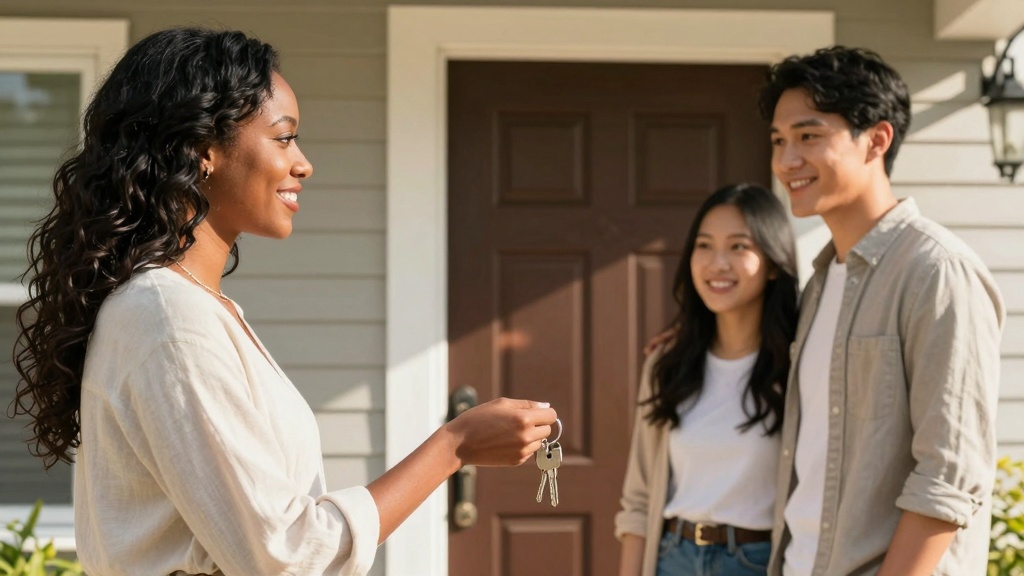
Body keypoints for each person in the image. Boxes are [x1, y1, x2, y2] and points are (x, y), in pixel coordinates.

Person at [10, 27, 557, 576]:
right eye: (283, 137)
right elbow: (286, 555)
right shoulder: (168, 318)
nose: (303, 163)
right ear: (204, 150)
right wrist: (454, 446)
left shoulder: (198, 310)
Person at [760, 46, 1004, 575]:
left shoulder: (936, 271)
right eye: (779, 141)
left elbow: (950, 474)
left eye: (808, 136)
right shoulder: (823, 280)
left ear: (877, 139)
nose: (786, 161)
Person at [616, 183, 799, 576]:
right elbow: (638, 499)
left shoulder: (799, 366)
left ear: (771, 262)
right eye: (704, 245)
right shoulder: (667, 364)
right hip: (672, 558)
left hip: (756, 562)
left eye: (738, 247)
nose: (718, 263)